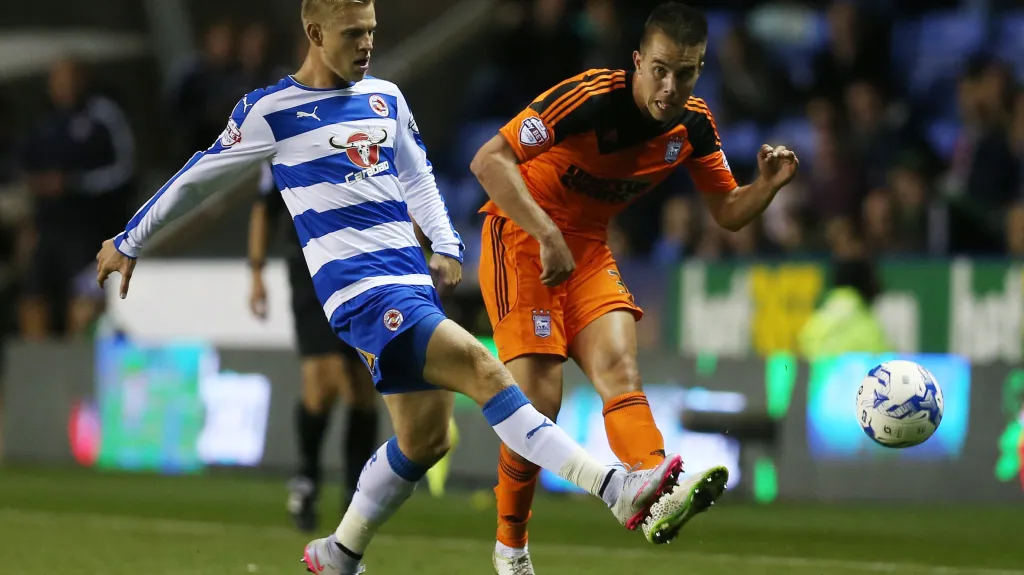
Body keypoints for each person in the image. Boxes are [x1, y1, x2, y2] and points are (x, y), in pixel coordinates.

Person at [95, 1, 703, 573]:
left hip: (410, 283)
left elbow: (417, 172)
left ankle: (340, 551)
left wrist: (444, 243)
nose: (367, 44)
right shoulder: (271, 110)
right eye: (353, 33)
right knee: (487, 371)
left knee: (426, 436)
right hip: (360, 293)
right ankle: (615, 487)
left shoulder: (385, 97)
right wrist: (129, 240)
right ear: (314, 34)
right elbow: (200, 178)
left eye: (372, 30)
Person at [470, 3, 799, 572]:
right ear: (637, 62)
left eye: (687, 73)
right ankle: (511, 547)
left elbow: (726, 211)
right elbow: (488, 159)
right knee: (539, 400)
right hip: (522, 236)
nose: (671, 87)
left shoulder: (693, 125)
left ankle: (653, 482)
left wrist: (765, 186)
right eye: (661, 70)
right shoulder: (589, 98)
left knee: (621, 370)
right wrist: (546, 233)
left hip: (588, 250)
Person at [248, 164, 380, 532]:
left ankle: (358, 490)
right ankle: (306, 479)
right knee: (322, 386)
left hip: (363, 262)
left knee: (362, 383)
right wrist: (256, 272)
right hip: (311, 267)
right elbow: (263, 206)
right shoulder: (285, 129)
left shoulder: (366, 125)